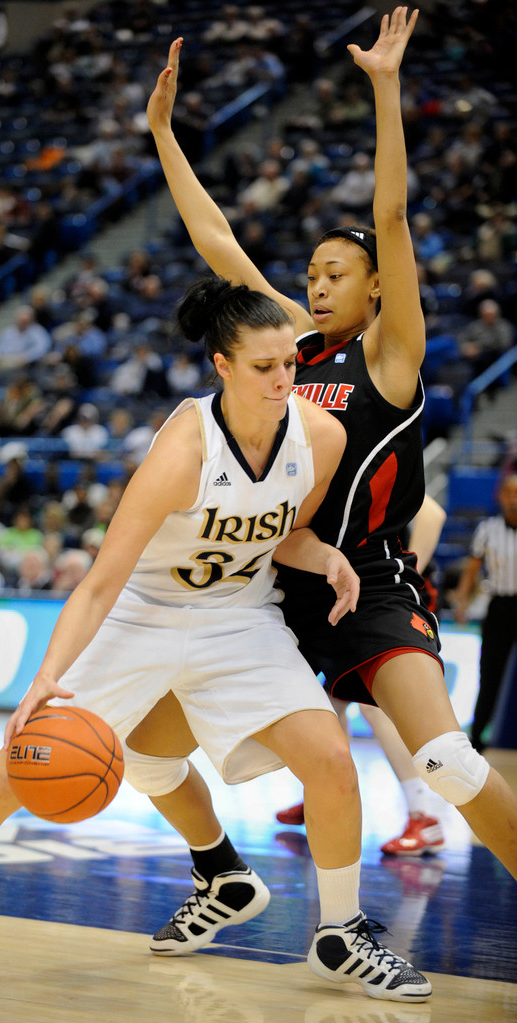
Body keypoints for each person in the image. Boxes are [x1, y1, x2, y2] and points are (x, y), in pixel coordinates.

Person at [0, 277, 430, 1003]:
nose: (286, 378)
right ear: (221, 366)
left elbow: (287, 533)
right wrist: (45, 679)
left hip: (238, 619)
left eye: (290, 361)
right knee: (18, 764)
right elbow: (100, 582)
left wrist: (325, 556)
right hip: (142, 614)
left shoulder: (320, 434)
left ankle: (338, 932)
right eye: (264, 367)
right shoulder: (183, 449)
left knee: (329, 759)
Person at [141, 5, 517, 956]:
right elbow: (219, 244)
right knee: (147, 741)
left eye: (336, 272)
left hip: (373, 577)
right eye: (310, 271)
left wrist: (384, 90)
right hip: (274, 582)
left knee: (445, 757)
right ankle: (221, 872)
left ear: (376, 287)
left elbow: (390, 215)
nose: (315, 283)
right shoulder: (289, 350)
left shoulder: (390, 359)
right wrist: (162, 139)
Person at [277, 494, 449, 857]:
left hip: (381, 590)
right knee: (325, 700)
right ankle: (322, 794)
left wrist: (406, 570)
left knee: (376, 706)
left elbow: (431, 513)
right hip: (336, 589)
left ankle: (426, 815)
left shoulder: (361, 450)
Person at [453, 473, 517, 753]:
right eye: (509, 493)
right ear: (500, 497)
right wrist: (462, 602)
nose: (514, 499)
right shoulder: (488, 529)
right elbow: (472, 570)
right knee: (490, 674)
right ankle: (477, 741)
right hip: (500, 607)